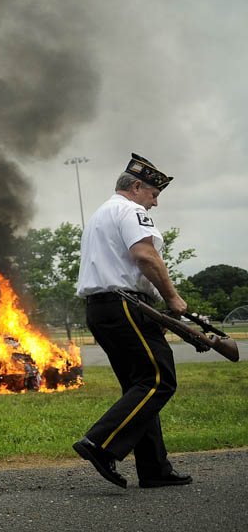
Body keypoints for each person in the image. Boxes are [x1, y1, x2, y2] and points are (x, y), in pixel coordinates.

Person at [73, 153, 192, 489]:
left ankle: (154, 468)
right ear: (137, 186)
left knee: (139, 386)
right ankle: (101, 443)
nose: (154, 204)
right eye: (154, 195)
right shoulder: (131, 210)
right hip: (125, 304)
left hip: (101, 309)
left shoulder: (99, 215)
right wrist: (171, 298)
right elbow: (144, 255)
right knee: (159, 379)